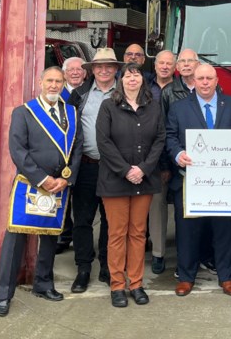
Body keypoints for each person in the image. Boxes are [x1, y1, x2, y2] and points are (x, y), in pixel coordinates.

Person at [0, 66, 82, 317]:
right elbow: (18, 150)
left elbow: (77, 148)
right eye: (50, 81)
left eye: (59, 82)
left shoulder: (72, 113)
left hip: (59, 186)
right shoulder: (24, 112)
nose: (54, 85)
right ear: (40, 82)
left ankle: (43, 284)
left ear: (64, 84)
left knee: (50, 239)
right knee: (15, 240)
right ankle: (4, 294)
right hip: (30, 184)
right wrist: (42, 179)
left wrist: (67, 178)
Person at [166, 63, 231, 297]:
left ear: (216, 80)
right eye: (200, 78)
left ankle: (227, 276)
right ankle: (186, 277)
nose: (204, 82)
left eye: (209, 78)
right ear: (194, 80)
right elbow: (170, 137)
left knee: (225, 229)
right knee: (188, 231)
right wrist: (178, 154)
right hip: (190, 180)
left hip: (225, 182)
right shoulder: (179, 108)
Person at [96, 62, 166, 308]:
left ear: (142, 80)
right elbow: (103, 142)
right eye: (128, 75)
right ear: (121, 80)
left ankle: (136, 284)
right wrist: (126, 170)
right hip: (115, 180)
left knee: (138, 234)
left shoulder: (154, 107)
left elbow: (160, 139)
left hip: (144, 180)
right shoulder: (108, 107)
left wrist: (143, 169)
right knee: (116, 234)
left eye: (136, 75)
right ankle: (117, 285)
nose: (132, 79)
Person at [66, 48, 120, 293]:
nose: (104, 70)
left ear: (116, 68)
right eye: (99, 66)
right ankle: (83, 268)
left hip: (115, 169)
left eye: (109, 65)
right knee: (83, 220)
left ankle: (108, 267)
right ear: (92, 70)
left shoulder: (128, 91)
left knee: (112, 221)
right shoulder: (80, 94)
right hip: (87, 166)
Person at [146, 49, 176, 275]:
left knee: (163, 205)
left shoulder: (183, 88)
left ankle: (162, 253)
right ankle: (150, 252)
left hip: (177, 154)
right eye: (161, 63)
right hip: (150, 155)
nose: (165, 67)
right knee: (152, 205)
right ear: (155, 65)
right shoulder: (144, 87)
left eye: (169, 63)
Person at [57, 56, 89, 254]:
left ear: (86, 73)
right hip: (61, 152)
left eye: (79, 69)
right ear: (64, 73)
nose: (75, 72)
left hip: (85, 154)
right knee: (62, 196)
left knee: (82, 202)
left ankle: (80, 239)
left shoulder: (90, 92)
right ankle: (64, 233)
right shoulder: (55, 93)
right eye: (71, 69)